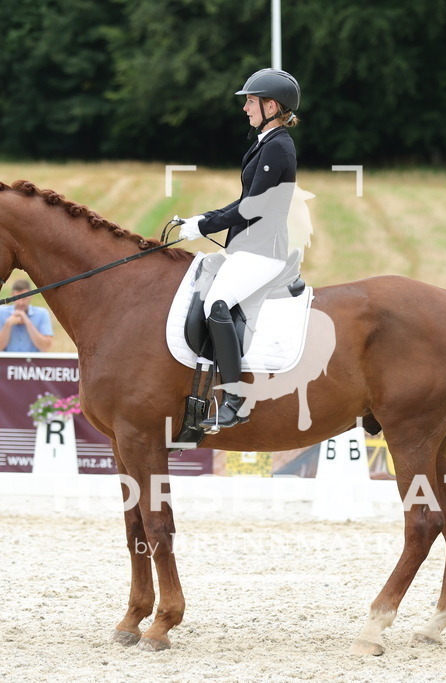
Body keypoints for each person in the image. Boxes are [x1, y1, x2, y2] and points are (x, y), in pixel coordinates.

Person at [178, 68, 301, 431]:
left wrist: (203, 226)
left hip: (264, 251)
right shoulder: (265, 142)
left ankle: (236, 399)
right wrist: (204, 216)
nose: (245, 108)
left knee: (217, 304)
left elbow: (253, 207)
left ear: (271, 105)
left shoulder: (278, 147)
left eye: (250, 101)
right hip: (249, 247)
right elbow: (244, 200)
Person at [0, 279, 54, 353]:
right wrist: (8, 324)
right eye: (17, 298)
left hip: (34, 363)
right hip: (7, 362)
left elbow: (46, 347)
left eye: (24, 298)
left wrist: (28, 323)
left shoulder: (42, 313)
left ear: (30, 296)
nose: (20, 302)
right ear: (11, 295)